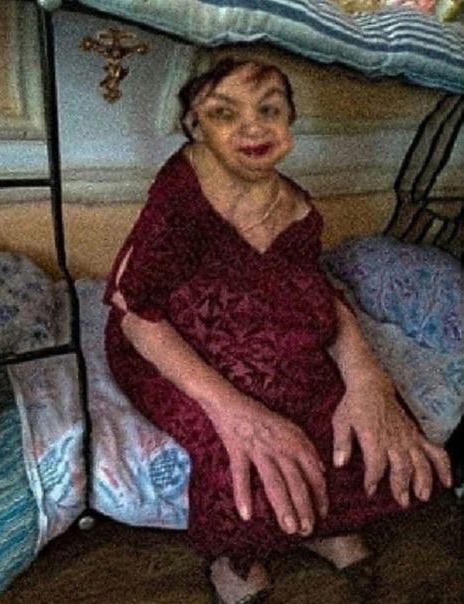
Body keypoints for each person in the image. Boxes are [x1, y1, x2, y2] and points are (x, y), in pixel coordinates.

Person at [103, 47, 452, 604]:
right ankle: (237, 554)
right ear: (193, 125)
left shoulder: (297, 206)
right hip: (162, 336)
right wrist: (235, 412)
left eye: (270, 110)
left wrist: (367, 376)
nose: (253, 128)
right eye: (224, 112)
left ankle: (320, 526)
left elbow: (312, 290)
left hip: (252, 316)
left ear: (290, 122)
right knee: (237, 451)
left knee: (348, 416)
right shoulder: (180, 195)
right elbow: (135, 311)